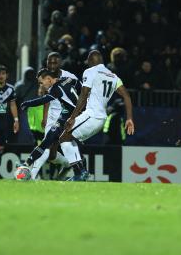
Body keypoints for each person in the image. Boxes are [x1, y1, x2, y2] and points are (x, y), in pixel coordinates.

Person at [59, 50, 135, 181]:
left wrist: (72, 117)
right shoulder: (113, 76)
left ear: (91, 61)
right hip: (101, 118)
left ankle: (80, 172)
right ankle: (80, 170)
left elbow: (83, 96)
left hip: (92, 115)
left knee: (64, 138)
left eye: (88, 62)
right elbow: (127, 96)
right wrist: (129, 118)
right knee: (72, 140)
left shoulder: (90, 72)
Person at [18, 68, 82, 180]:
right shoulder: (66, 79)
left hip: (75, 118)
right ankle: (27, 164)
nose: (41, 85)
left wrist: (27, 103)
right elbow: (78, 83)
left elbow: (42, 100)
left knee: (61, 144)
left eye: (41, 82)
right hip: (65, 115)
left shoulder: (55, 89)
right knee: (48, 139)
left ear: (48, 79)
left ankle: (80, 169)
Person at [0, 65, 19, 177]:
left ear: (7, 75)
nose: (1, 76)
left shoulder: (10, 89)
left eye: (3, 73)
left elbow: (12, 105)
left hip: (4, 124)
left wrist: (16, 120)